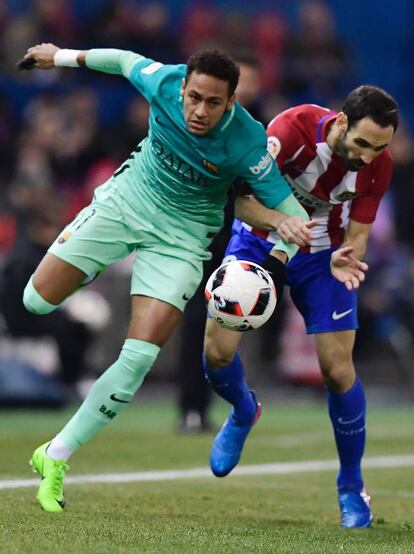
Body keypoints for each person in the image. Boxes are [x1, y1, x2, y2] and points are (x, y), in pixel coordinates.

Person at [21, 42, 317, 513]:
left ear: (231, 103)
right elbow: (119, 60)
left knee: (137, 358)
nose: (200, 111)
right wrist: (59, 56)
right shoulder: (161, 81)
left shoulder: (248, 142)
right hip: (127, 202)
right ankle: (90, 262)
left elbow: (291, 209)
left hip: (181, 239)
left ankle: (54, 456)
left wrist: (279, 247)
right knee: (35, 301)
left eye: (213, 103)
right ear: (183, 87)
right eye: (194, 98)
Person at [203, 85, 398, 529]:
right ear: (342, 122)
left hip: (322, 254)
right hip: (259, 238)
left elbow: (361, 231)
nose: (369, 156)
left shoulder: (377, 166)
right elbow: (242, 201)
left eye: (380, 148)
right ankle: (243, 409)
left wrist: (350, 253)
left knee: (337, 369)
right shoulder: (290, 129)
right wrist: (283, 223)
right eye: (363, 144)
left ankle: (352, 486)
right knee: (217, 352)